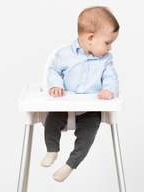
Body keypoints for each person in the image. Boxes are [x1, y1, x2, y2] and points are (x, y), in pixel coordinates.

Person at [41, 6, 120, 182]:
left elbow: (111, 76)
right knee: (52, 121)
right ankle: (52, 150)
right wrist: (55, 85)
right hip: (64, 102)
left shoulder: (105, 60)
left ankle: (70, 165)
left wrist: (108, 90)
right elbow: (53, 71)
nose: (110, 48)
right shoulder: (64, 54)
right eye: (107, 43)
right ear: (90, 38)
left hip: (89, 109)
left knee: (88, 135)